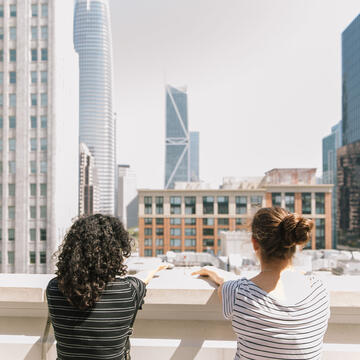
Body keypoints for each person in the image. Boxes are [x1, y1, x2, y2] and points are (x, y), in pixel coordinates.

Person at [192, 207, 330, 360]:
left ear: (254, 243)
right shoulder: (319, 290)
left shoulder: (239, 293)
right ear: (294, 242)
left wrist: (218, 273)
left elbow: (225, 283)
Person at [46, 214, 166, 360]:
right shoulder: (128, 290)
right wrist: (156, 268)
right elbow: (143, 278)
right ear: (116, 252)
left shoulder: (54, 288)